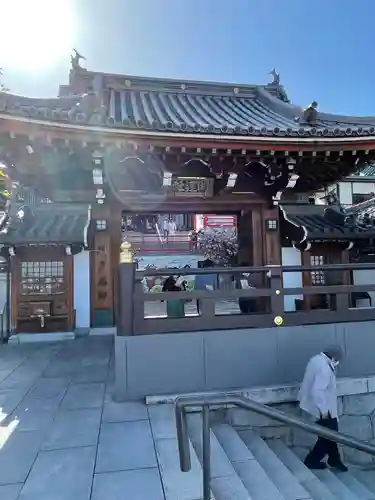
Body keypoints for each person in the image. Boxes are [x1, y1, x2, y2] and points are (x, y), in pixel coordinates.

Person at [298, 346, 348, 472]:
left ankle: (334, 459)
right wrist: (324, 411)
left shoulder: (316, 360)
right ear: (334, 357)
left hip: (315, 405)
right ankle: (312, 460)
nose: (337, 363)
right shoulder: (325, 368)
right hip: (322, 408)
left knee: (331, 434)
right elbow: (318, 390)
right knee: (328, 435)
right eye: (337, 360)